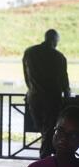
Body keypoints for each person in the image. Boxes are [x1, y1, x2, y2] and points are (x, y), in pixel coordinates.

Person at [23, 29, 70, 159]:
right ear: (55, 40)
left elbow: (26, 77)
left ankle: (47, 160)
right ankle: (46, 160)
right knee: (49, 132)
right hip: (52, 100)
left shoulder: (29, 52)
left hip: (34, 99)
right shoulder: (59, 57)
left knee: (45, 132)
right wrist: (67, 97)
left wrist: (31, 90)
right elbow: (64, 82)